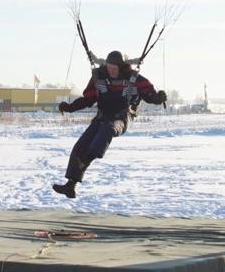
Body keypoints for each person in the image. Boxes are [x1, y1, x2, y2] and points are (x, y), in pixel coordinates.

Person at [52, 50, 166, 199]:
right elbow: (87, 100)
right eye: (109, 67)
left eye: (114, 68)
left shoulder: (135, 79)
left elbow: (150, 96)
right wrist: (69, 107)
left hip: (121, 118)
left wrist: (159, 97)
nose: (111, 70)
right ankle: (70, 186)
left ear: (121, 67)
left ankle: (88, 158)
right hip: (101, 117)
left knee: (108, 129)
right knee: (79, 147)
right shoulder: (99, 78)